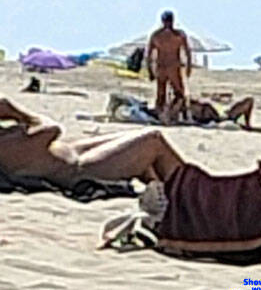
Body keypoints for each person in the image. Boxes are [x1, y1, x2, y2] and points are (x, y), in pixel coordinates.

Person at [0, 97, 183, 187]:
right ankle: (192, 191)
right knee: (153, 140)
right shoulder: (6, 144)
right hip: (79, 170)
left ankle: (173, 191)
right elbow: (53, 129)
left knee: (136, 142)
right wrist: (16, 112)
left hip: (75, 152)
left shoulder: (7, 138)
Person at [146, 11, 192, 117]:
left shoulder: (157, 35)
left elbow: (148, 55)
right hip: (171, 67)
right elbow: (188, 52)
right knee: (173, 93)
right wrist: (188, 68)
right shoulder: (178, 35)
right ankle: (174, 114)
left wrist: (150, 70)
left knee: (167, 93)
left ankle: (169, 113)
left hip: (165, 67)